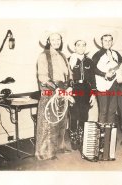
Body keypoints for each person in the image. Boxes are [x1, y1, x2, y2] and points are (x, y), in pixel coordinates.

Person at [35, 30, 74, 160]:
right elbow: (42, 76)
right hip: (50, 90)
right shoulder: (43, 56)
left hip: (63, 89)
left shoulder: (63, 55)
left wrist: (69, 86)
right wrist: (56, 88)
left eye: (58, 39)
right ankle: (46, 152)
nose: (56, 42)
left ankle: (59, 147)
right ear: (48, 41)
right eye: (53, 39)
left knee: (61, 120)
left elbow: (69, 73)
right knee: (49, 121)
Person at [67, 36, 98, 150]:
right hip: (74, 89)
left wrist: (93, 94)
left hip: (86, 90)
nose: (81, 47)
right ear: (74, 47)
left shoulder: (89, 61)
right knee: (74, 114)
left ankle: (81, 137)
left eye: (83, 45)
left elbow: (93, 79)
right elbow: (66, 77)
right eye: (78, 44)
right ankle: (74, 139)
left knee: (84, 115)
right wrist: (68, 93)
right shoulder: (69, 60)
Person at [92, 31, 122, 126]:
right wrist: (104, 74)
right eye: (105, 40)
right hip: (102, 84)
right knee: (104, 110)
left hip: (114, 84)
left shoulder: (115, 53)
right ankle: (101, 136)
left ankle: (109, 136)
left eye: (110, 40)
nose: (108, 42)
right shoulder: (97, 54)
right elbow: (93, 69)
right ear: (101, 42)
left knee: (112, 110)